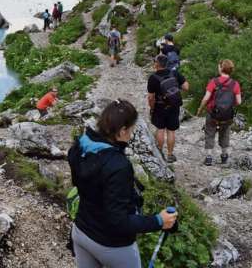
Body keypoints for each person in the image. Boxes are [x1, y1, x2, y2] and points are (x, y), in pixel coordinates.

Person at [67, 99, 178, 268]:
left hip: (81, 232)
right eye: (131, 130)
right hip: (112, 245)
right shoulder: (118, 166)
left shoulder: (80, 147)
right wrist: (159, 221)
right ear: (122, 130)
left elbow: (80, 185)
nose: (131, 135)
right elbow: (118, 221)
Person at [196, 60, 242, 166]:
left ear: (221, 68)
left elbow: (206, 98)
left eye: (219, 66)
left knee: (210, 133)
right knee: (225, 133)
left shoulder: (214, 82)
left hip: (213, 113)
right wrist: (228, 105)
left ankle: (208, 157)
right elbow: (239, 102)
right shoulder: (235, 84)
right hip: (227, 115)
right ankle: (224, 156)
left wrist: (200, 109)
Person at [147, 54, 189, 163]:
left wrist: (152, 108)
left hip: (160, 106)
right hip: (174, 105)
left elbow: (151, 97)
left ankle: (160, 153)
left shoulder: (153, 78)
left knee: (160, 129)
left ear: (157, 64)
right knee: (171, 131)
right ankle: (170, 155)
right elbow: (186, 87)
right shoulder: (174, 73)